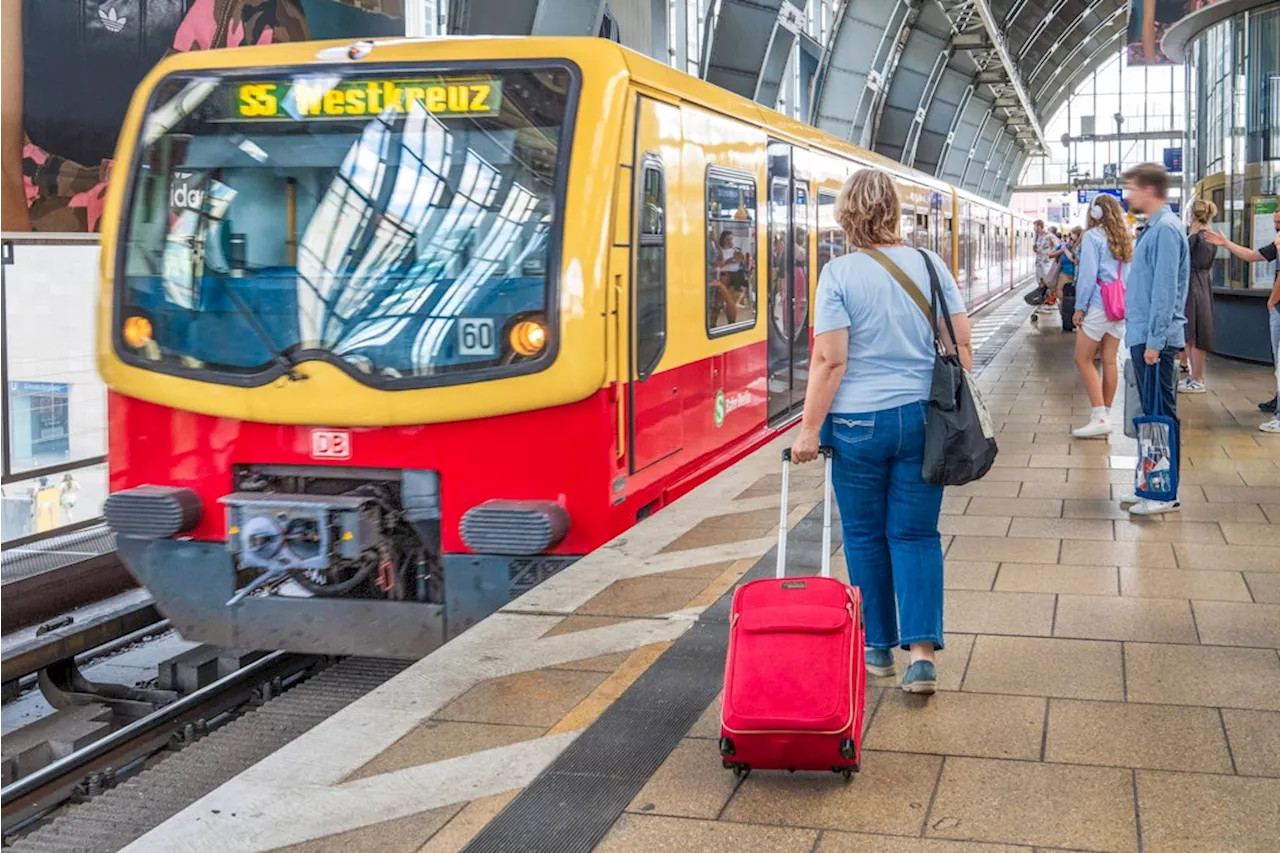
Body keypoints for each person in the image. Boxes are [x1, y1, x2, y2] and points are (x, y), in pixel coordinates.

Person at [790, 169, 972, 696]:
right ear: (895, 212)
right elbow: (961, 346)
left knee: (865, 536)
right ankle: (920, 657)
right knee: (915, 534)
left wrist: (808, 432)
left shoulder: (839, 274)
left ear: (846, 216)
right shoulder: (931, 265)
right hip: (922, 419)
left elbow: (830, 361)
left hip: (857, 426)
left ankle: (876, 647)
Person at [1120, 163, 1189, 515]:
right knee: (1151, 413)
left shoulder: (1164, 230)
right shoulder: (1155, 228)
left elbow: (1165, 291)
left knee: (1161, 415)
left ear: (1149, 190)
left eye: (1131, 188)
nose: (1128, 195)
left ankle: (1164, 493)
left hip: (1154, 340)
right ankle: (1150, 482)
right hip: (1146, 334)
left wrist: (1154, 342)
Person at [1205, 206, 1280, 430]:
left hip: (1278, 308)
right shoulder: (1276, 245)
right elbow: (1251, 256)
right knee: (1278, 361)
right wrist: (1226, 243)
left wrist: (1272, 302)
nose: (1276, 226)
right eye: (1275, 222)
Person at [1071, 196, 1133, 437]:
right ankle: (1104, 413)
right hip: (1120, 305)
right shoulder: (1125, 237)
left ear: (1096, 212)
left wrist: (1079, 308)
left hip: (1099, 304)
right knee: (1109, 359)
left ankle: (1099, 416)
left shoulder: (1093, 236)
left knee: (1082, 359)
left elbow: (1087, 276)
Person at [1181, 200, 1218, 394]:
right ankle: (1194, 376)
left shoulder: (1197, 238)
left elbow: (1182, 255)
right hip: (1202, 284)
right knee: (1192, 332)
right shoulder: (1210, 236)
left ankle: (1197, 378)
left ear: (1193, 216)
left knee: (1194, 332)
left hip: (1193, 285)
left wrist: (1191, 235)